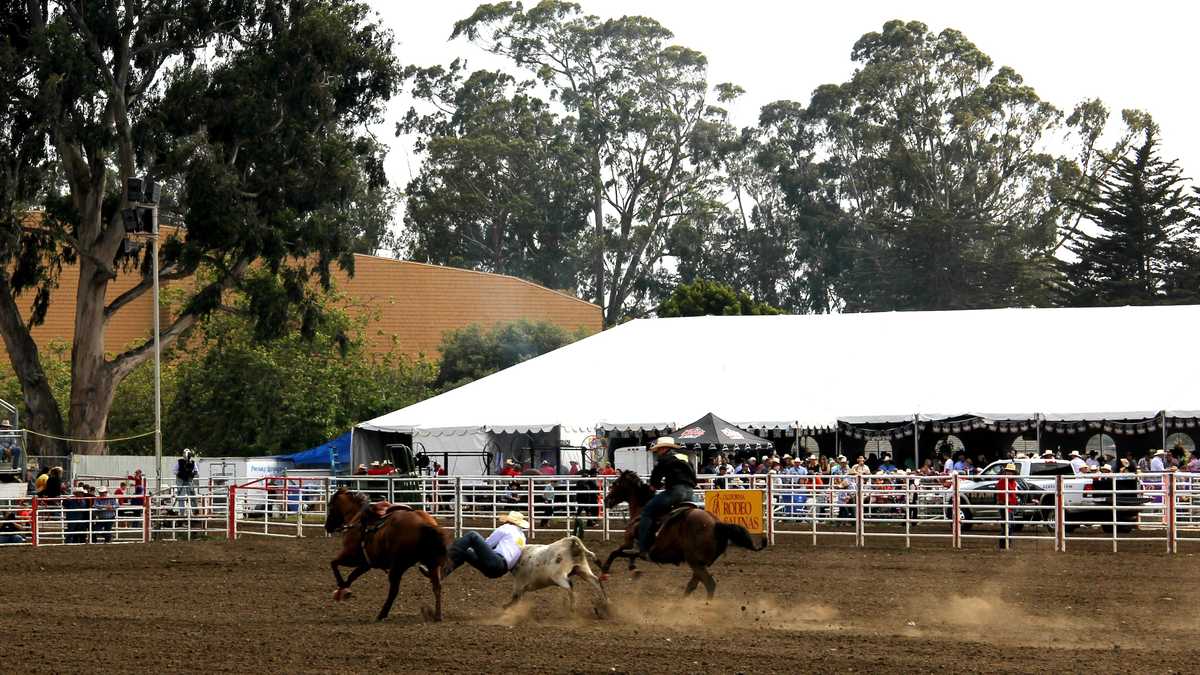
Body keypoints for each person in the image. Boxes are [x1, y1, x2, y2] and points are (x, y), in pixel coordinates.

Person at [637, 437, 697, 558]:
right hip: (690, 493)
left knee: (647, 511)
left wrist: (653, 487)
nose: (657, 452)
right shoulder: (685, 457)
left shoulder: (664, 459)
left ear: (664, 448)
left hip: (675, 493)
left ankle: (643, 548)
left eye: (658, 449)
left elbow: (655, 479)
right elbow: (691, 474)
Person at [444, 511, 528, 579]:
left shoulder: (507, 528)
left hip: (496, 562)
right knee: (465, 552)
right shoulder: (522, 537)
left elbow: (488, 544)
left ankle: (444, 555)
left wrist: (474, 547)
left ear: (509, 521)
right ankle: (442, 572)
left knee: (472, 535)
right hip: (500, 570)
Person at [997, 463, 1019, 550]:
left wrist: (1015, 502)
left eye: (1011, 472)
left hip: (1010, 506)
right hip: (1004, 505)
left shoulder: (1013, 482)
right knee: (1007, 526)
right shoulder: (1002, 481)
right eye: (1008, 472)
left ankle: (1006, 543)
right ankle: (1004, 544)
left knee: (1010, 525)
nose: (1009, 473)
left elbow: (1014, 494)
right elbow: (1002, 495)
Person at [176, 449, 198, 514]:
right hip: (181, 480)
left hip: (189, 480)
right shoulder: (179, 462)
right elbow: (175, 471)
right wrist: (181, 475)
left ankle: (195, 512)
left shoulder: (193, 463)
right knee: (181, 496)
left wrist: (192, 474)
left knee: (192, 495)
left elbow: (196, 471)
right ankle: (182, 512)